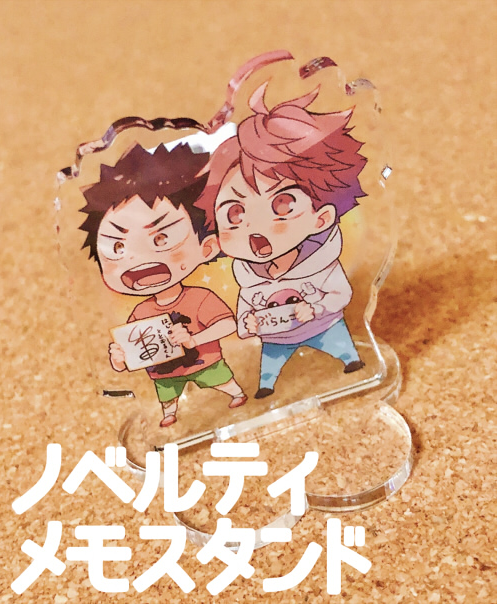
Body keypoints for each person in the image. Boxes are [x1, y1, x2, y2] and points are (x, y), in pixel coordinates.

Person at [197, 82, 366, 398]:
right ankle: (266, 386)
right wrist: (247, 324)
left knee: (344, 350)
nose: (255, 226)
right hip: (276, 339)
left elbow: (341, 293)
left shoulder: (322, 262)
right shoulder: (247, 276)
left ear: (321, 218)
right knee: (269, 371)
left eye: (283, 205)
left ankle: (351, 360)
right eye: (235, 213)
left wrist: (315, 307)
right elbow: (245, 309)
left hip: (324, 325)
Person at [80, 142, 247, 427]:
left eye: (161, 239)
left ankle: (236, 393)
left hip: (205, 361)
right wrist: (120, 360)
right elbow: (136, 347)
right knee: (167, 395)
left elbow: (228, 324)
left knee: (221, 378)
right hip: (164, 372)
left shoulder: (200, 298)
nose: (137, 259)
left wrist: (195, 340)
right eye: (117, 247)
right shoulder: (141, 312)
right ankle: (169, 413)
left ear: (207, 247)